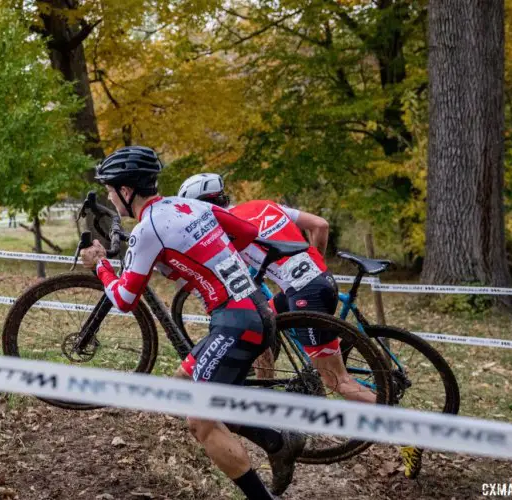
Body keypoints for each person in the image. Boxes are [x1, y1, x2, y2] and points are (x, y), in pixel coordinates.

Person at [79, 146, 305, 498]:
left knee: (199, 419)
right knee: (182, 383)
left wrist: (100, 265)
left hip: (236, 322)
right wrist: (193, 261)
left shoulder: (147, 229)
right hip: (258, 307)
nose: (109, 195)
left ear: (126, 191)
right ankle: (274, 440)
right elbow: (244, 233)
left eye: (110, 189)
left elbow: (124, 299)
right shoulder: (193, 205)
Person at [178, 173, 424, 479]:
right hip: (318, 281)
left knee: (338, 382)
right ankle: (260, 387)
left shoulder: (226, 230)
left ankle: (408, 428)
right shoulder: (263, 205)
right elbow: (320, 225)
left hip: (306, 292)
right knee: (261, 318)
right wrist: (310, 265)